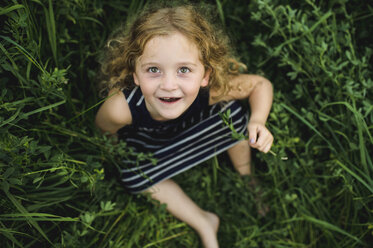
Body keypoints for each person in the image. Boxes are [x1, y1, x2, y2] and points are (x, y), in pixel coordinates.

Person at [95, 4, 273, 248]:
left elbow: (260, 85)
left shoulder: (211, 90)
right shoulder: (121, 108)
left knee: (232, 114)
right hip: (150, 143)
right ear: (136, 73)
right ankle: (204, 223)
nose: (169, 85)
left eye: (184, 70)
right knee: (132, 176)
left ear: (205, 75)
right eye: (153, 70)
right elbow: (105, 132)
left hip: (195, 129)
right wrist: (117, 154)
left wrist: (258, 121)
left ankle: (247, 178)